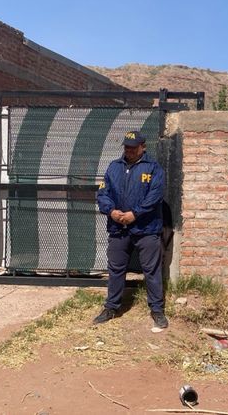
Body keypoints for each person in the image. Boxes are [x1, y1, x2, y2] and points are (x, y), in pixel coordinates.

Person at [93, 130, 168, 329]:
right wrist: (112, 212)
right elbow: (103, 193)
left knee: (151, 270)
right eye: (127, 146)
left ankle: (157, 310)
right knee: (116, 269)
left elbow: (155, 197)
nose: (129, 150)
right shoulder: (113, 167)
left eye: (133, 147)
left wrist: (135, 214)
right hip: (119, 229)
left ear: (143, 147)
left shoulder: (154, 168)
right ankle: (111, 307)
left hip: (146, 229)